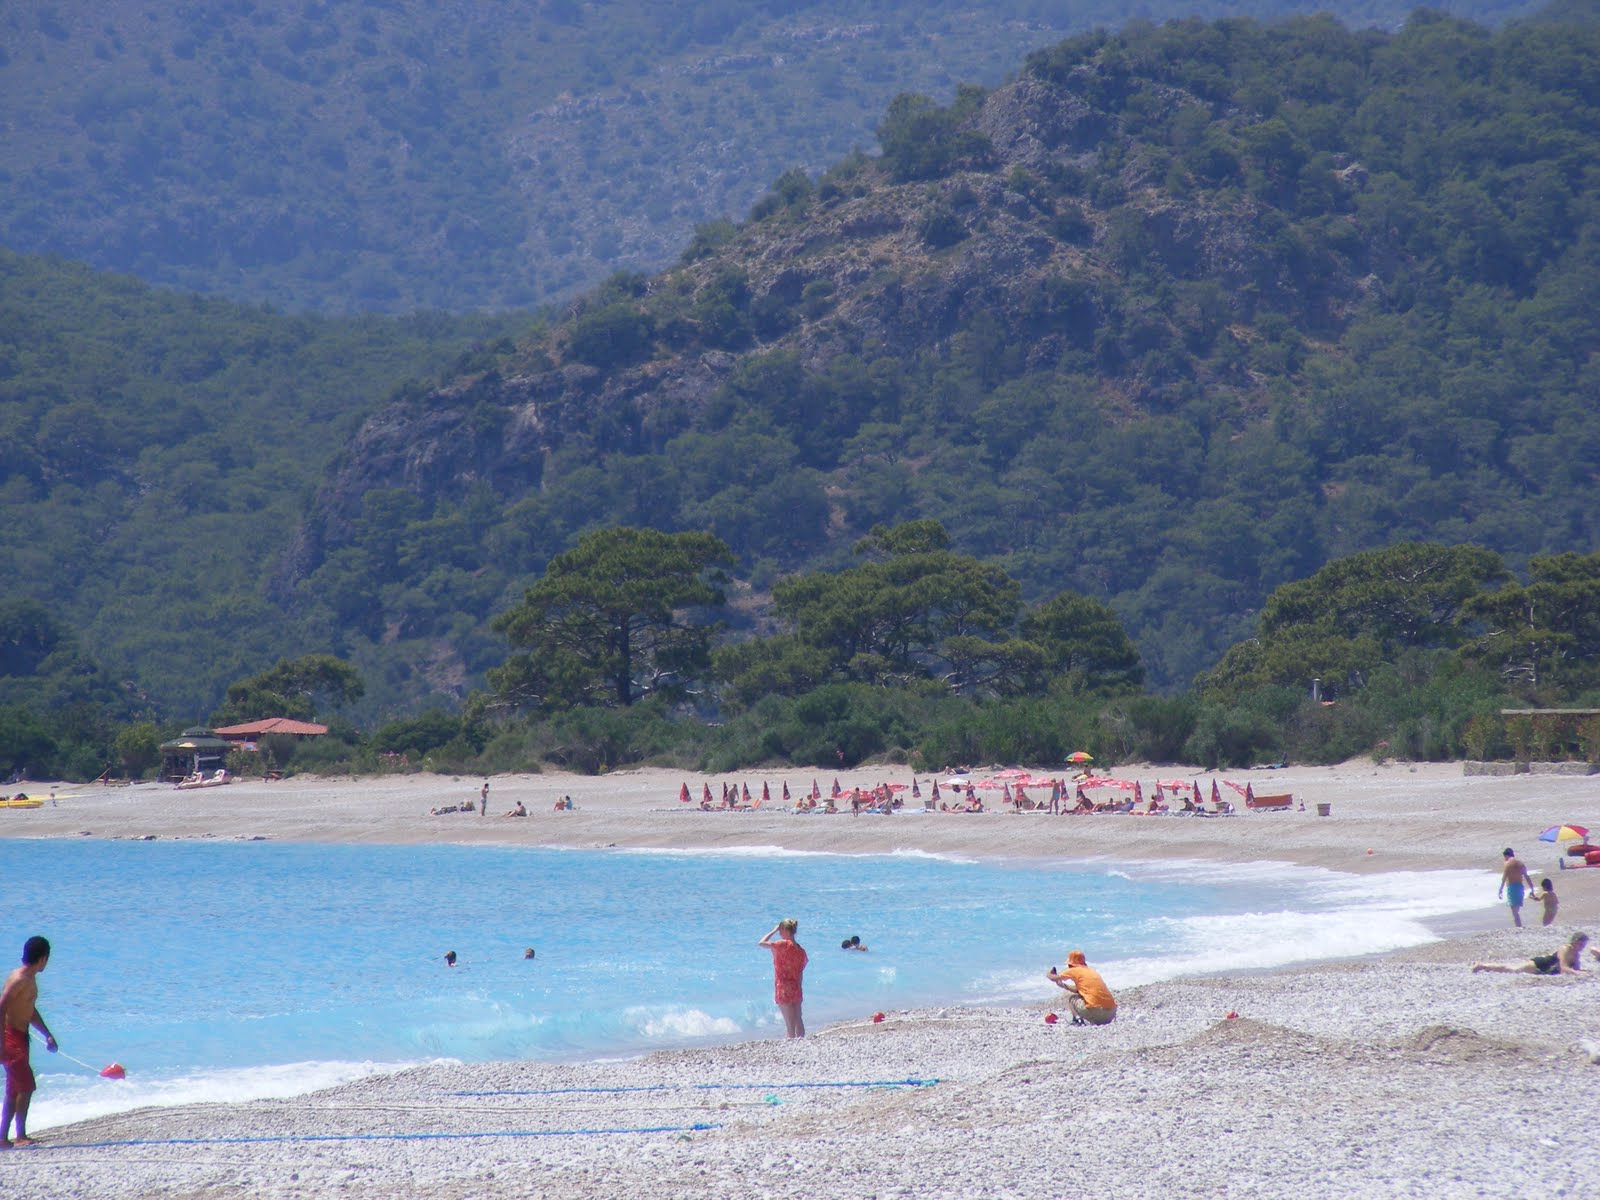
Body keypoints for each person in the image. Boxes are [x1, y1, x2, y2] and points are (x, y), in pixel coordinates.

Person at [2, 936, 58, 1149]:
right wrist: (1, 1043)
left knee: (14, 1088)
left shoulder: (29, 979)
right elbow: (1, 1007)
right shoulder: (19, 979)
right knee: (26, 1085)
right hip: (10, 1036)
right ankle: (20, 1136)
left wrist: (47, 1034)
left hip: (20, 1036)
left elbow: (29, 1010)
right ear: (42, 958)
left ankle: (2, 1137)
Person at [759, 918, 808, 1038]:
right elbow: (801, 972)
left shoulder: (781, 945)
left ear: (785, 930)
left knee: (789, 1025)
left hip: (783, 987)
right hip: (796, 986)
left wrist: (773, 931)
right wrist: (799, 987)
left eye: (780, 930)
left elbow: (761, 943)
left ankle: (792, 1045)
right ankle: (802, 1043)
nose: (779, 933)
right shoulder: (801, 950)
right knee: (798, 1020)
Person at [1047, 949, 1117, 1026]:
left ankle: (1077, 1020)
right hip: (1111, 1013)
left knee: (1072, 999)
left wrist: (1049, 973)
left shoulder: (1074, 970)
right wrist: (1063, 985)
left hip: (1097, 1012)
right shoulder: (1091, 971)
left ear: (1071, 964)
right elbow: (1079, 990)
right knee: (1082, 997)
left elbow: (1053, 978)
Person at [1472, 932, 1589, 975]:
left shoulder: (1576, 954)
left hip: (1545, 970)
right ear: (1574, 942)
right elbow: (1564, 968)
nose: (1582, 947)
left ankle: (1483, 966)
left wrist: (1580, 972)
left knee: (1512, 969)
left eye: (1583, 945)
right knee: (1511, 969)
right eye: (1580, 944)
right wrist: (1578, 974)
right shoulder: (1565, 949)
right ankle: (1482, 965)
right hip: (1539, 965)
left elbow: (1575, 969)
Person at [1499, 848, 1534, 927]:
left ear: (1506, 855)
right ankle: (1518, 926)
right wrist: (1532, 888)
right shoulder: (1521, 864)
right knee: (1516, 910)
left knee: (1514, 912)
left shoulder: (1507, 864)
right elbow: (1527, 877)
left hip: (1512, 888)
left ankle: (1518, 927)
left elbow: (1504, 878)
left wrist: (1500, 889)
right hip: (1520, 888)